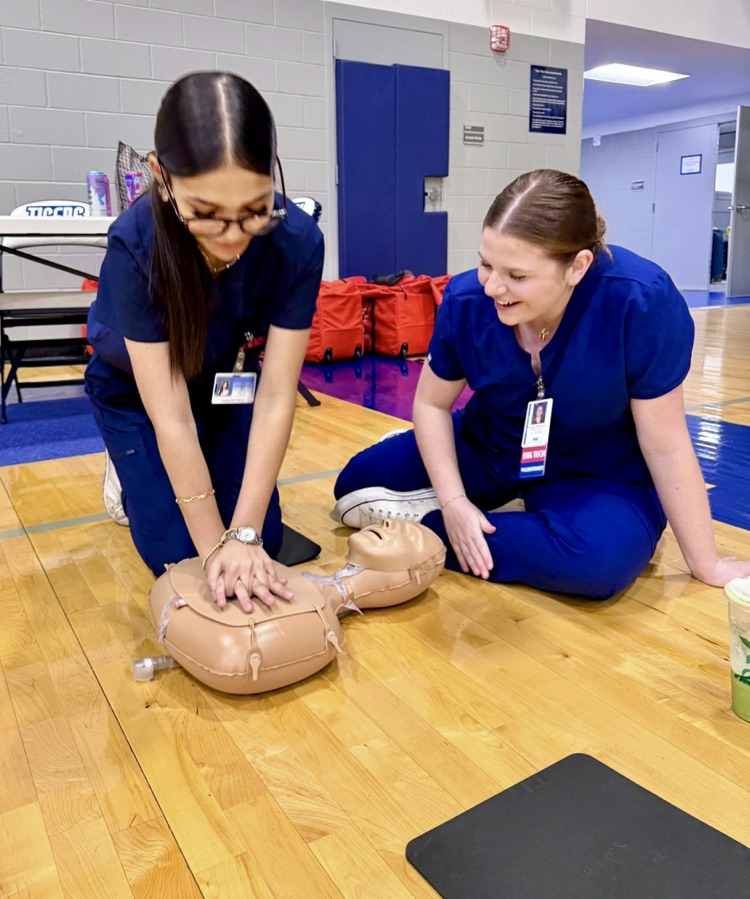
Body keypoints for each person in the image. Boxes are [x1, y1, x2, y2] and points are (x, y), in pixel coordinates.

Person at [332, 169, 750, 600]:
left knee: (596, 565)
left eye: (516, 275)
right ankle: (499, 515)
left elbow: (666, 443)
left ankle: (434, 529)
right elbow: (431, 406)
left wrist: (707, 562)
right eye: (485, 264)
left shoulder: (639, 301)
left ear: (577, 267)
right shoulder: (465, 300)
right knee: (353, 487)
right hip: (493, 443)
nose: (494, 287)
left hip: (598, 471)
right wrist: (456, 503)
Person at [85, 71, 324, 612]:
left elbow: (277, 393)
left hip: (222, 384)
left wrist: (240, 535)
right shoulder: (135, 244)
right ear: (160, 177)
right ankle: (127, 465)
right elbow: (170, 416)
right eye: (206, 214)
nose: (234, 235)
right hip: (141, 394)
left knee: (261, 532)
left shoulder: (298, 243)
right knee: (181, 558)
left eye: (254, 210)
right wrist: (215, 542)